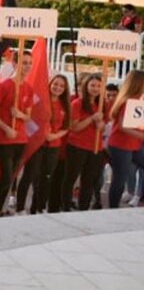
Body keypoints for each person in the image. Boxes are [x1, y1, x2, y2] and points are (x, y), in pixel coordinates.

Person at [0, 51, 35, 217]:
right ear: (14, 64)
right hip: (5, 138)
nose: (27, 66)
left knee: (10, 177)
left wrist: (20, 115)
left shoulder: (28, 88)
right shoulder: (4, 85)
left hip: (21, 138)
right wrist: (6, 128)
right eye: (24, 62)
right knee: (5, 176)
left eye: (29, 63)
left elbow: (28, 116)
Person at [15, 75, 70, 214]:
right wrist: (40, 134)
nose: (58, 88)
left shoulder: (65, 105)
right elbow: (30, 118)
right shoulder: (39, 100)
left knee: (46, 177)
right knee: (29, 175)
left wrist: (54, 136)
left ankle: (38, 207)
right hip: (37, 144)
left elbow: (67, 127)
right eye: (55, 84)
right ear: (50, 84)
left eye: (61, 86)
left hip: (53, 146)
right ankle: (20, 207)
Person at [62, 74, 107, 211]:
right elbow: (73, 127)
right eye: (92, 85)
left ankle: (83, 208)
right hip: (77, 146)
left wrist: (101, 124)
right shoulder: (77, 104)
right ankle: (65, 206)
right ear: (86, 86)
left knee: (88, 181)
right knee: (70, 178)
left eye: (99, 86)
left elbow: (103, 127)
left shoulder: (102, 104)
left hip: (95, 148)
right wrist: (91, 119)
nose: (95, 89)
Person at [105, 70, 144, 209]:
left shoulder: (137, 100)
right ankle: (113, 209)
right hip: (121, 145)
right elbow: (122, 126)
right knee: (119, 179)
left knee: (120, 178)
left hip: (133, 145)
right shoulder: (128, 101)